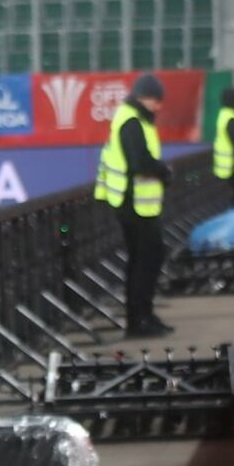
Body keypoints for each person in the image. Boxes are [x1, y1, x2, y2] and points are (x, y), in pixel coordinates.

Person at [95, 73, 174, 337]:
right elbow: (140, 162)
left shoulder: (132, 118)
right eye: (155, 100)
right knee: (147, 259)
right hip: (133, 204)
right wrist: (163, 171)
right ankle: (140, 320)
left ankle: (143, 317)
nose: (158, 106)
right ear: (143, 97)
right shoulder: (132, 122)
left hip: (135, 203)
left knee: (144, 259)